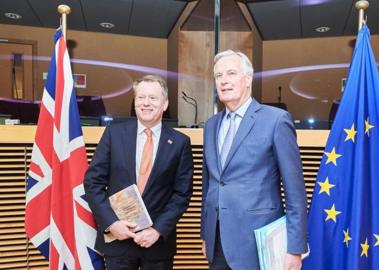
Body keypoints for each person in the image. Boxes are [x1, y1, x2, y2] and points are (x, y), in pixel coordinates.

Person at [200, 50, 308, 270]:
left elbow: (294, 190)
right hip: (218, 242)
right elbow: (209, 184)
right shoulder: (211, 125)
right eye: (218, 75)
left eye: (231, 73)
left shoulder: (276, 120)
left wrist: (295, 247)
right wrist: (205, 233)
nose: (224, 80)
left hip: (259, 241)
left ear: (248, 78)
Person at [84, 75, 194, 269]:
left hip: (157, 244)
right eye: (141, 97)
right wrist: (111, 223)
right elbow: (93, 183)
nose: (146, 103)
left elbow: (181, 194)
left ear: (165, 103)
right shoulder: (114, 133)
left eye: (153, 98)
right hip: (118, 240)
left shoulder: (180, 143)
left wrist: (158, 230)